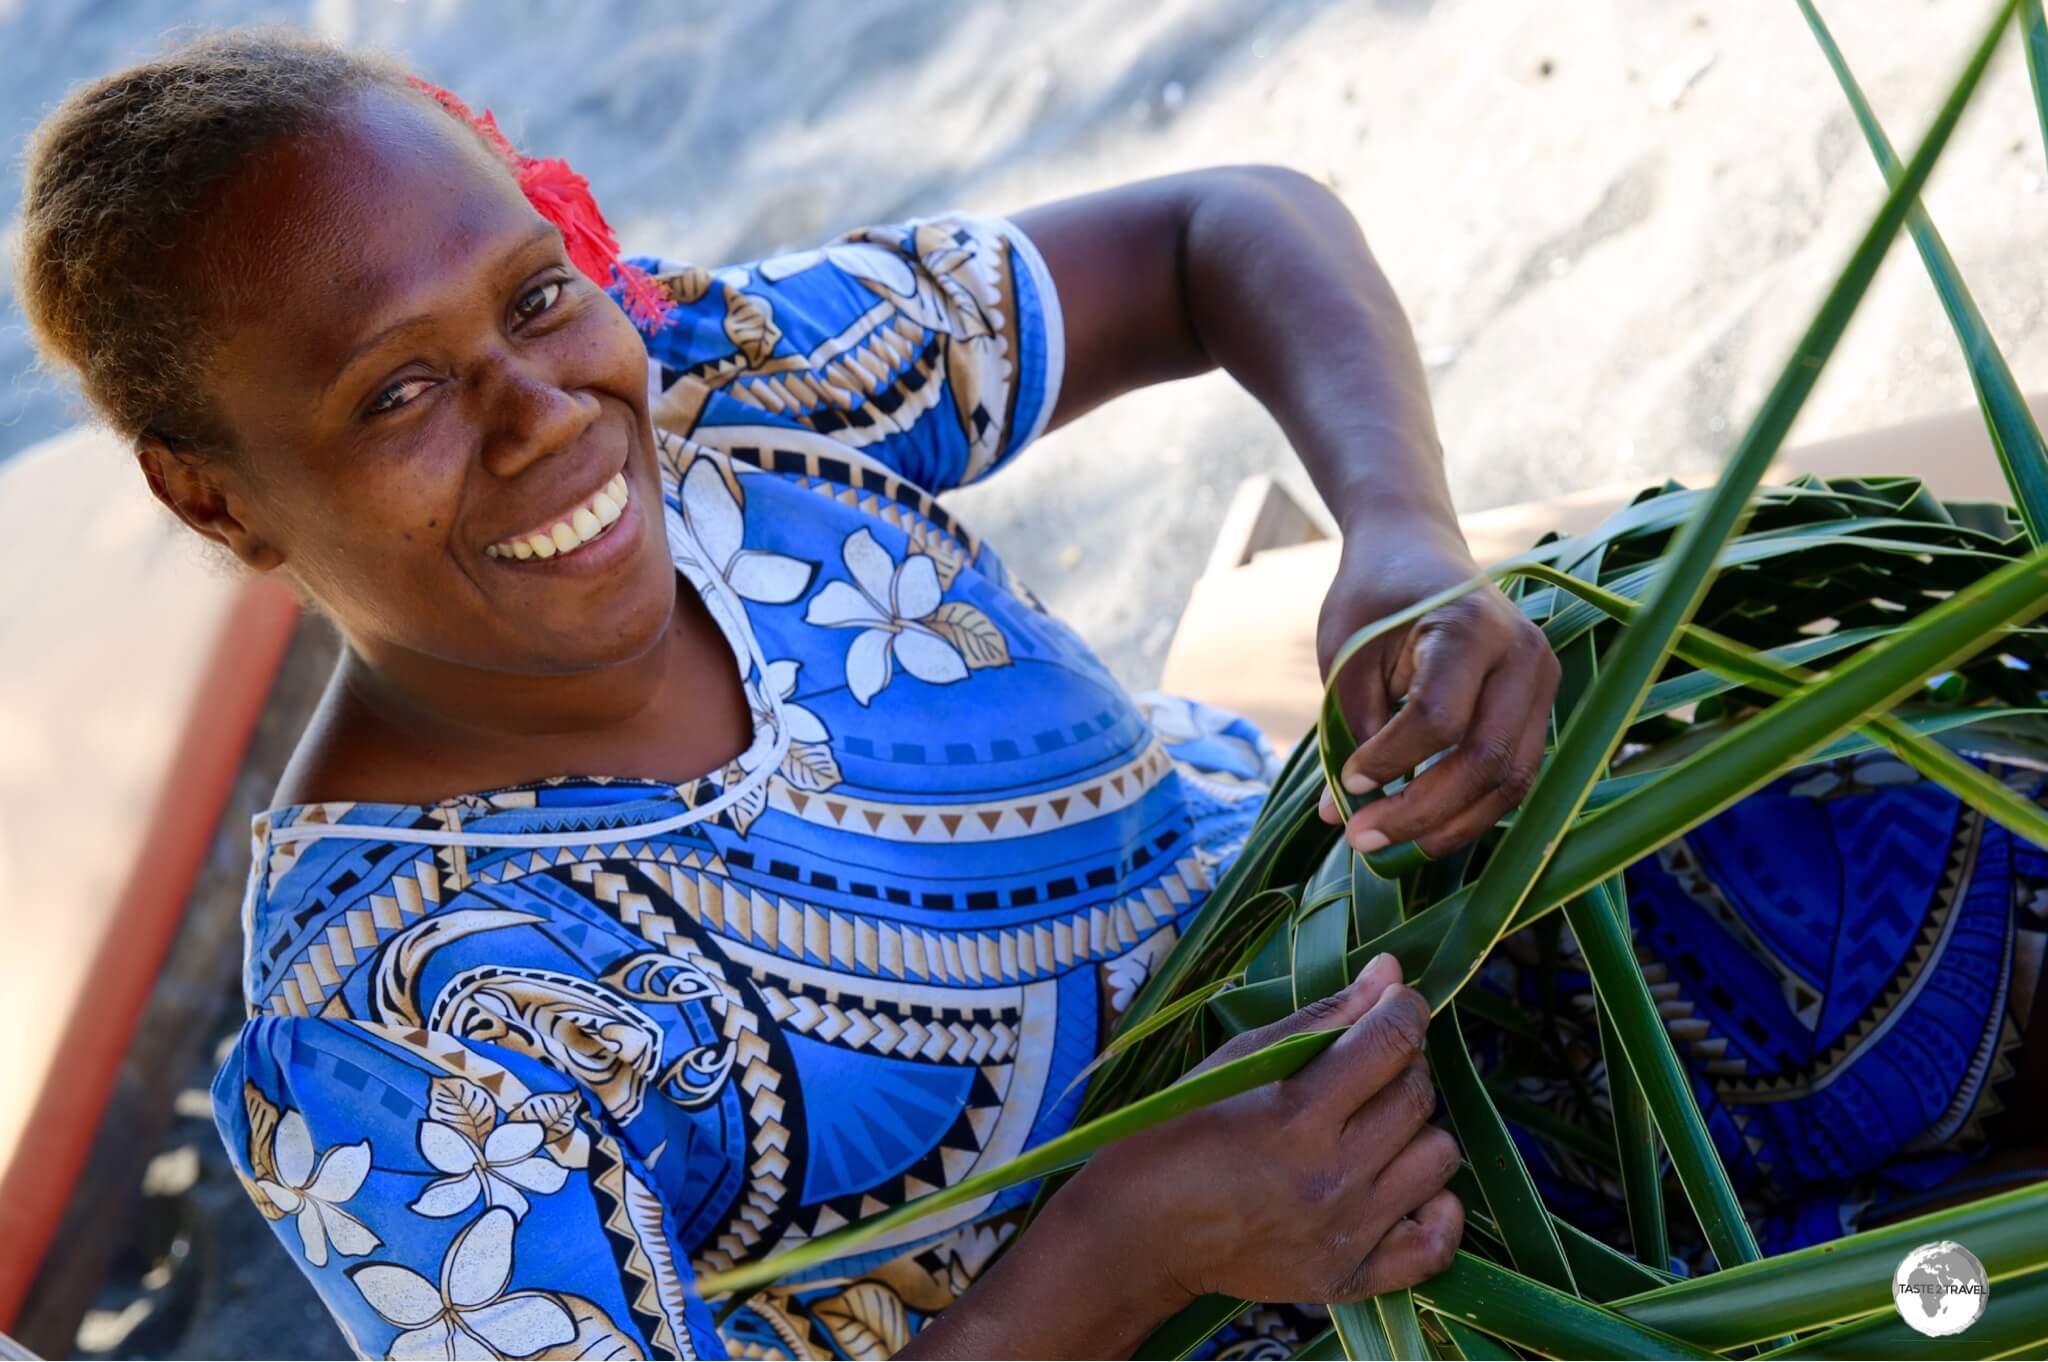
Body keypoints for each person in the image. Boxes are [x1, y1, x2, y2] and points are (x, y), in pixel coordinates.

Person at [16, 27, 1564, 1359]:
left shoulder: (713, 391)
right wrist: (1132, 1246)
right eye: (398, 393)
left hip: (1400, 931)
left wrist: (1403, 534)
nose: (543, 414)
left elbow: (1215, 233)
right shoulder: (388, 1042)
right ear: (216, 500)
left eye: (536, 295)